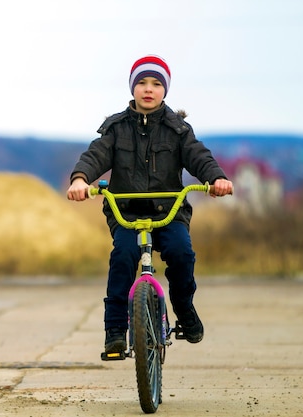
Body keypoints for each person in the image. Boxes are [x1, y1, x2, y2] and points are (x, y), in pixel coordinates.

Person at [66, 55, 233, 354]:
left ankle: (183, 308)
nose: (148, 89)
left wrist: (217, 178)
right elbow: (95, 156)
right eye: (141, 82)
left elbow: (199, 157)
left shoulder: (178, 129)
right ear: (132, 88)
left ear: (165, 90)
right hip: (127, 212)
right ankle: (115, 329)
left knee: (181, 253)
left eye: (156, 83)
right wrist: (80, 179)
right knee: (123, 257)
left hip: (168, 211)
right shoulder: (115, 128)